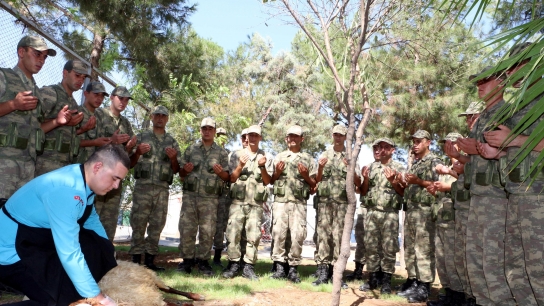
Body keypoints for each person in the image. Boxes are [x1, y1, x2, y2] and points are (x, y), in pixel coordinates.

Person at [0, 144, 130, 306]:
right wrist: (98, 297)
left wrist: (108, 251)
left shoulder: (81, 178)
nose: (116, 186)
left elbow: (90, 219)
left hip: (34, 244)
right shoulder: (66, 189)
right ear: (98, 167)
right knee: (60, 301)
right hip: (10, 253)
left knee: (95, 245)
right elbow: (68, 249)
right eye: (115, 178)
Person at [479, 43, 540, 305]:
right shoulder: (522, 104)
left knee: (538, 273)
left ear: (531, 65)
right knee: (517, 273)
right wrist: (500, 152)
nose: (509, 74)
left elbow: (522, 141)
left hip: (538, 197)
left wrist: (513, 140)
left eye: (514, 67)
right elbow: (522, 146)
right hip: (517, 195)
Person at [454, 67, 516, 306]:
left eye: (485, 81)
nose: (479, 85)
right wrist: (466, 156)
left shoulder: (508, 112)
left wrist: (480, 149)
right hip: (477, 197)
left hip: (497, 198)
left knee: (493, 264)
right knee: (475, 262)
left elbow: (516, 150)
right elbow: (481, 157)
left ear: (501, 83)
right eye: (477, 82)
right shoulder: (483, 118)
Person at [0, 35, 60, 198]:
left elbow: (36, 129)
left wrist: (57, 121)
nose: (41, 60)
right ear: (21, 52)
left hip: (27, 170)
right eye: (37, 54)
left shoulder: (36, 91)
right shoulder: (4, 77)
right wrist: (13, 104)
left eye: (44, 57)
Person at [128, 105, 181, 271]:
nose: (160, 118)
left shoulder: (172, 141)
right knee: (138, 223)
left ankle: (150, 261)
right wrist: (137, 152)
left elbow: (176, 169)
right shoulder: (141, 136)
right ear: (152, 117)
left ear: (167, 119)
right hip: (142, 187)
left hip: (161, 189)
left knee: (157, 225)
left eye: (163, 116)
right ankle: (135, 261)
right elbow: (130, 163)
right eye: (157, 115)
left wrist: (173, 159)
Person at [177, 117, 229, 276]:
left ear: (214, 131)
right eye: (204, 128)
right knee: (187, 229)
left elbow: (227, 177)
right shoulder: (191, 149)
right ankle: (187, 261)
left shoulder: (221, 153)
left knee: (207, 231)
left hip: (210, 199)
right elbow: (180, 174)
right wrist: (185, 170)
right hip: (190, 196)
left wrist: (221, 173)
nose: (207, 131)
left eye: (210, 129)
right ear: (200, 130)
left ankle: (203, 262)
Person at [222, 125, 273, 280]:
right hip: (238, 202)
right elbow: (231, 178)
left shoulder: (266, 156)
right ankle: (233, 265)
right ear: (246, 137)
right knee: (233, 234)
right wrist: (240, 166)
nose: (252, 138)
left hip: (255, 204)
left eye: (256, 135)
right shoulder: (236, 155)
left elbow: (267, 180)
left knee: (253, 236)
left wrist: (262, 166)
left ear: (260, 138)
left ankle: (248, 267)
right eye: (250, 135)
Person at [443, 102, 482, 306]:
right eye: (467, 117)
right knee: (463, 257)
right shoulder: (471, 144)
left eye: (472, 116)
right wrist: (457, 160)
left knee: (475, 257)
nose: (469, 121)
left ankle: (473, 298)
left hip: (480, 207)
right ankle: (464, 297)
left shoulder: (484, 139)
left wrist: (456, 163)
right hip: (465, 208)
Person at [397, 130, 443, 303]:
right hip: (412, 210)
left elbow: (438, 186)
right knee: (410, 249)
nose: (415, 145)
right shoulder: (416, 164)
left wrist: (419, 182)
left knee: (423, 249)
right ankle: (413, 281)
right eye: (413, 142)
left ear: (428, 143)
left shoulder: (434, 162)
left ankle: (424, 287)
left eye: (419, 141)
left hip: (425, 211)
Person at [269, 125, 317, 283]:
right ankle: (279, 267)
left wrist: (305, 175)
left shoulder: (308, 159)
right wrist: (276, 172)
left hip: (298, 203)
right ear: (286, 139)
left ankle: (293, 269)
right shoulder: (279, 157)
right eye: (290, 136)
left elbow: (314, 186)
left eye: (296, 136)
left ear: (302, 139)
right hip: (280, 202)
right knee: (278, 233)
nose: (293, 139)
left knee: (297, 235)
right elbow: (270, 180)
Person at [359, 137, 405, 294]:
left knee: (389, 247)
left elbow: (403, 192)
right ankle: (373, 279)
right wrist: (365, 178)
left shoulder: (399, 168)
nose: (381, 150)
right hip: (372, 212)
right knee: (371, 246)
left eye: (385, 147)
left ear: (392, 150)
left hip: (389, 213)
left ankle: (386, 281)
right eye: (378, 147)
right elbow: (363, 192)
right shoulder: (370, 167)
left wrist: (393, 181)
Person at [312, 124, 355, 286]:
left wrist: (349, 167)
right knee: (323, 236)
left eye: (341, 135)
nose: (337, 137)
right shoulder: (325, 154)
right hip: (325, 202)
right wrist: (321, 167)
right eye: (335, 134)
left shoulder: (349, 156)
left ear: (345, 137)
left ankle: (338, 274)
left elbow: (356, 181)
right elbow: (317, 179)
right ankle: (323, 273)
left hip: (342, 204)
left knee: (339, 238)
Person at [36, 60, 95, 175]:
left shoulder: (73, 103)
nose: (80, 81)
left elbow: (65, 132)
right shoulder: (50, 93)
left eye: (83, 78)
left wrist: (83, 129)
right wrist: (57, 122)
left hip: (64, 164)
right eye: (77, 75)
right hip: (45, 164)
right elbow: (31, 125)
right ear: (65, 73)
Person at [93, 86, 137, 241]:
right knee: (92, 214)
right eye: (120, 98)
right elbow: (90, 142)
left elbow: (127, 153)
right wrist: (111, 140)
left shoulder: (126, 124)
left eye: (126, 100)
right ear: (111, 97)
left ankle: (105, 255)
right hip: (98, 173)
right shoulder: (99, 114)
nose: (123, 102)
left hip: (115, 178)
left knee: (110, 219)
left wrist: (130, 147)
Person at [426, 132, 464, 306]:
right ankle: (448, 294)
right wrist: (436, 189)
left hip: (455, 221)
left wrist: (447, 182)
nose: (447, 145)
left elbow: (466, 185)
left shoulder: (463, 165)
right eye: (445, 143)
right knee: (442, 261)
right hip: (441, 219)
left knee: (454, 261)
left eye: (452, 143)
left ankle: (457, 297)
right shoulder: (446, 167)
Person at [75, 81, 111, 163]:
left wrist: (112, 139)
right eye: (96, 94)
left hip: (91, 165)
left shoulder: (100, 117)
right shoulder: (77, 113)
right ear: (86, 94)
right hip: (75, 163)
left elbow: (100, 140)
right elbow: (69, 139)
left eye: (102, 96)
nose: (99, 98)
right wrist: (94, 142)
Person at [213, 127, 230, 267]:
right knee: (205, 226)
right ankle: (201, 257)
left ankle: (217, 257)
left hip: (224, 196)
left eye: (223, 136)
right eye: (219, 135)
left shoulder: (230, 155)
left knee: (221, 226)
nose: (221, 138)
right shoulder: (210, 152)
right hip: (208, 195)